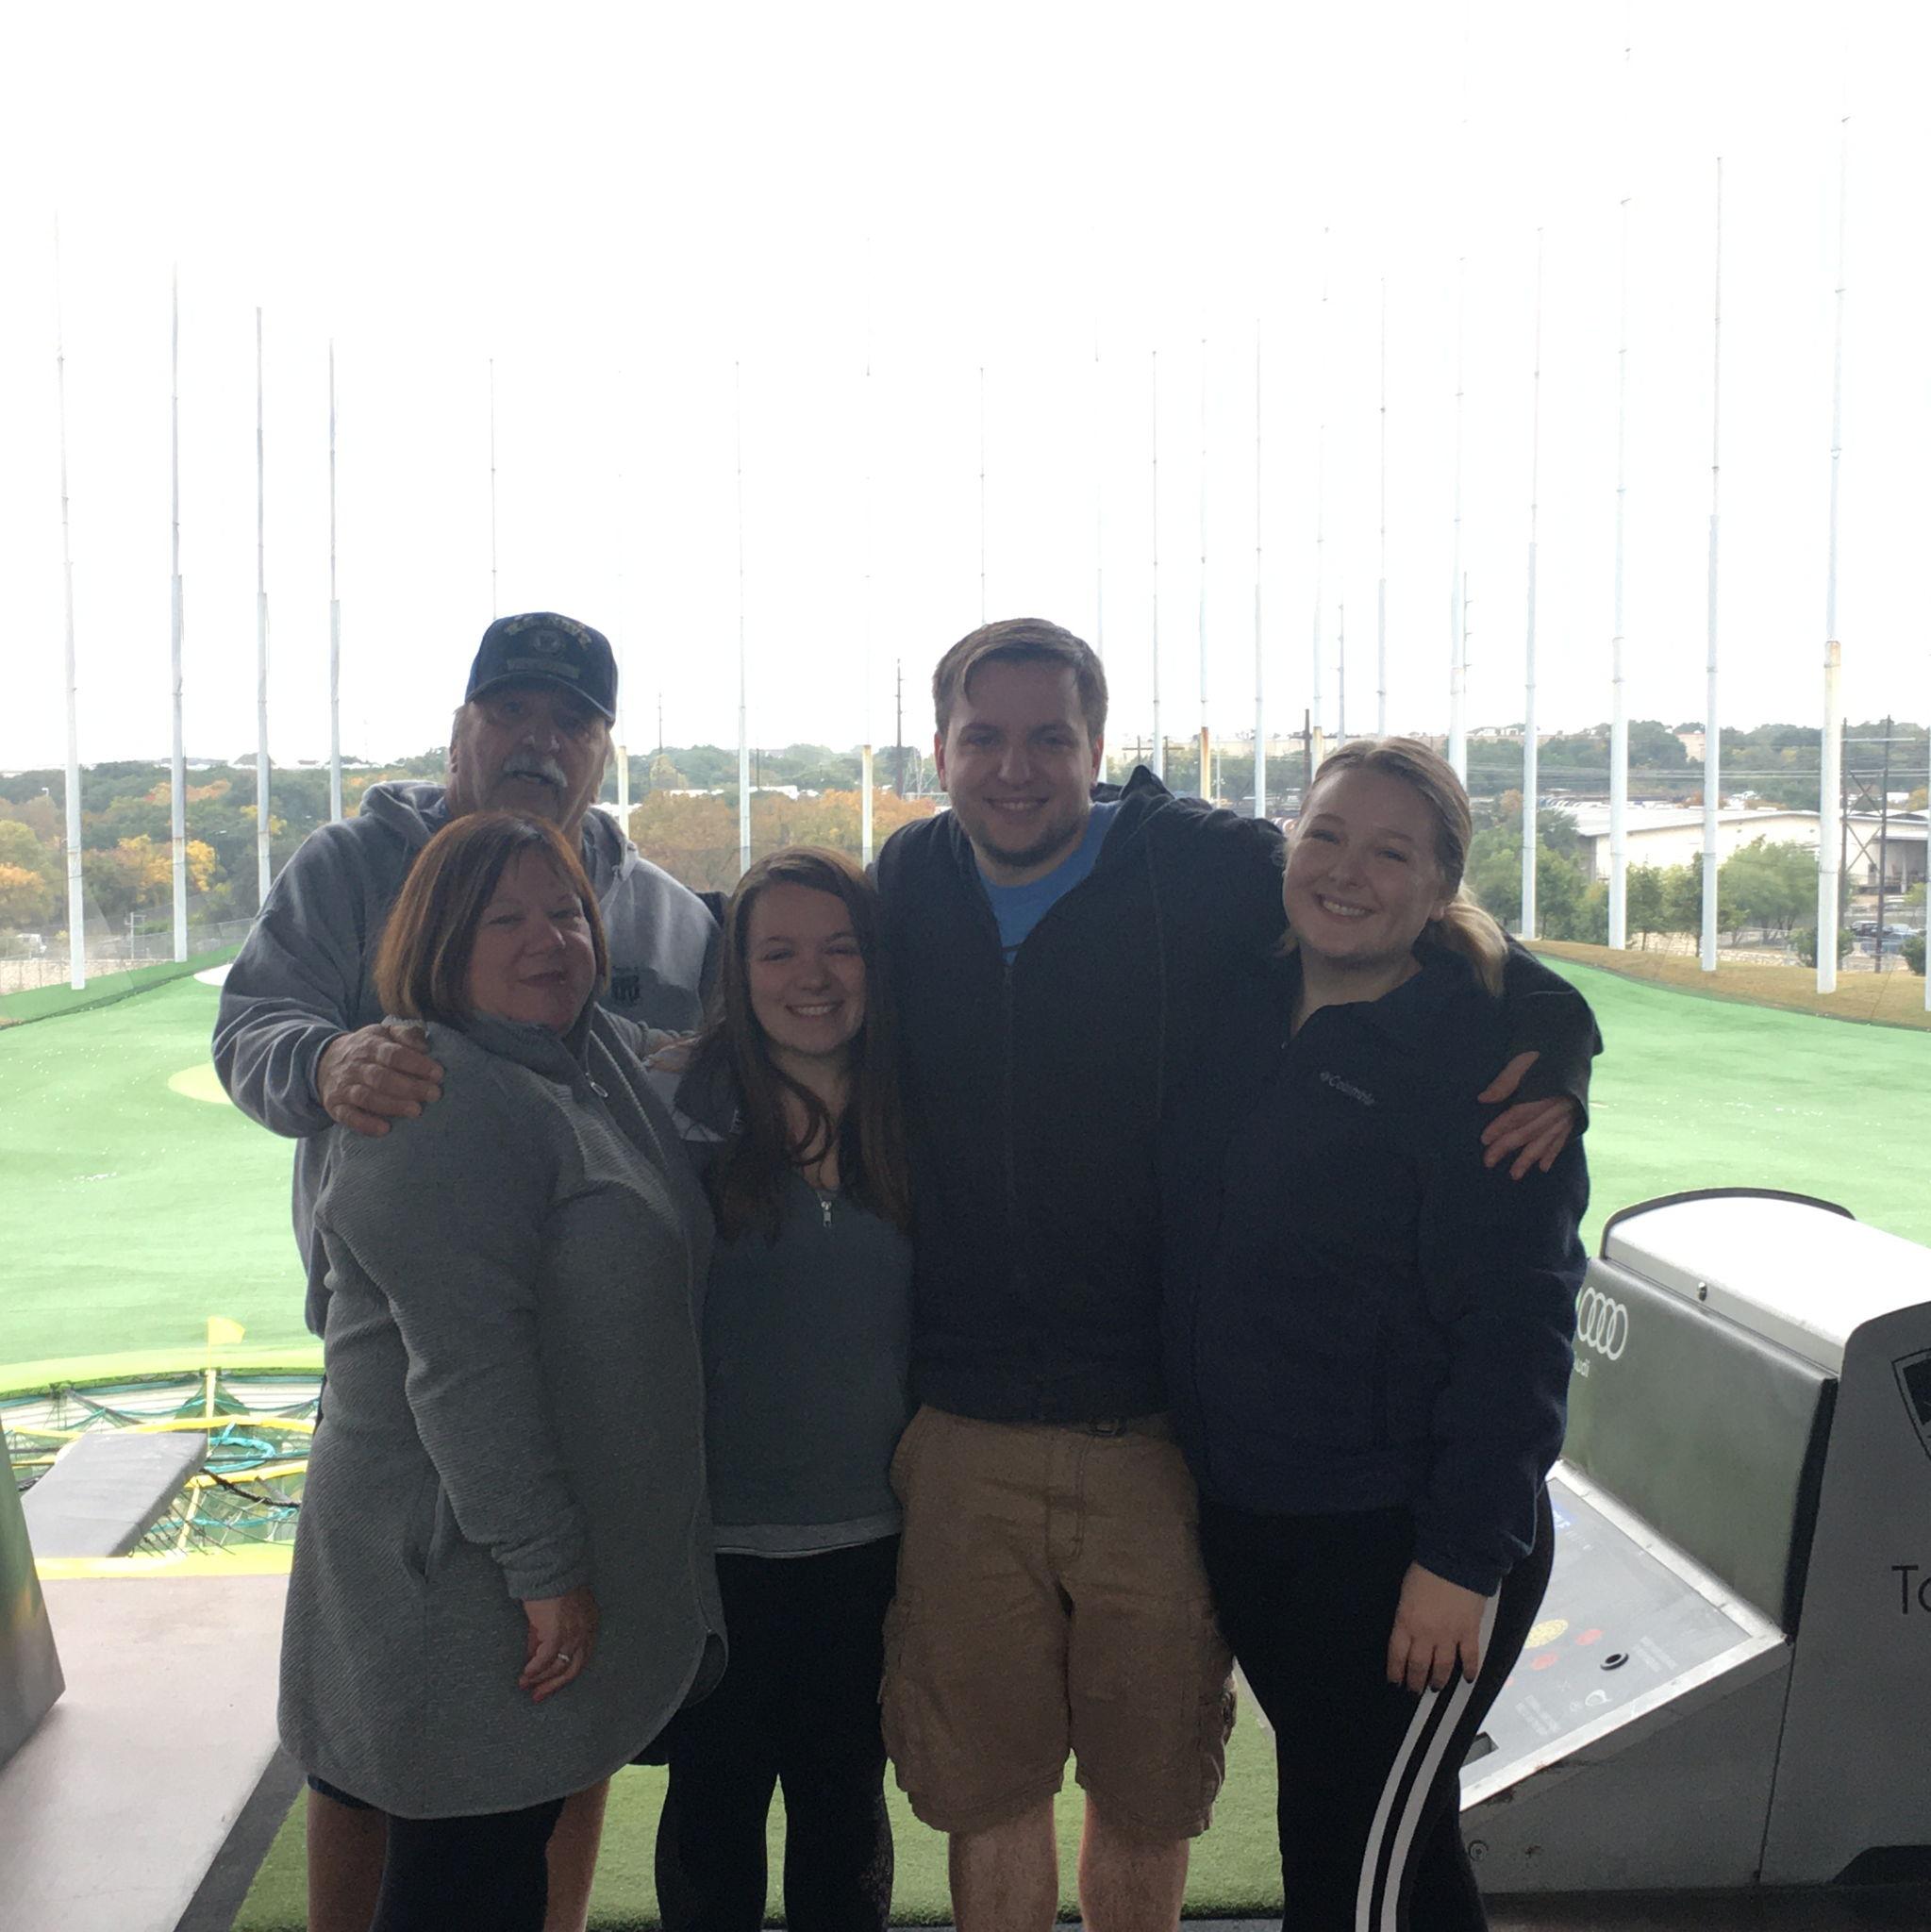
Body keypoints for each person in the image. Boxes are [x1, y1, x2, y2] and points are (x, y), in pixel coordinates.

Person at [873, 618, 1597, 1932]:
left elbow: (1517, 1328)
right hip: (1205, 1491)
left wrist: (1556, 1037)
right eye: (984, 737)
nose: (1015, 767)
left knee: (1332, 1850)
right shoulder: (926, 882)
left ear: (1100, 750)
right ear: (938, 750)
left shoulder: (1210, 875)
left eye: (1051, 738)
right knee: (1371, 1841)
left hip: (1310, 1500)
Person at [214, 611, 715, 1931]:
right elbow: (255, 1022)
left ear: (604, 748)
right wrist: (325, 1066)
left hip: (576, 1399)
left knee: (548, 1738)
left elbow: (684, 1080)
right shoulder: (349, 866)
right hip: (421, 1370)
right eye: (515, 713)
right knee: (389, 1733)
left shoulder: (654, 907)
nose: (541, 742)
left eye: (573, 722)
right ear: (462, 729)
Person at [1160, 738, 1587, 1930]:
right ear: (1286, 846)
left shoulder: (1488, 1069)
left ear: (1442, 884)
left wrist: (1461, 1558)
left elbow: (1519, 1331)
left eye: (1392, 850)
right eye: (1327, 835)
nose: (1348, 870)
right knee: (1400, 1849)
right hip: (1258, 1524)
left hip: (1406, 1543)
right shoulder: (1237, 1000)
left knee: (1349, 1884)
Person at [646, 847, 911, 1932]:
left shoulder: (918, 1107)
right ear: (737, 969)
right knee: (711, 1807)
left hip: (879, 1544)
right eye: (780, 949)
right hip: (712, 1551)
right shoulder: (672, 1102)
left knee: (845, 1806)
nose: (813, 974)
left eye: (840, 945)